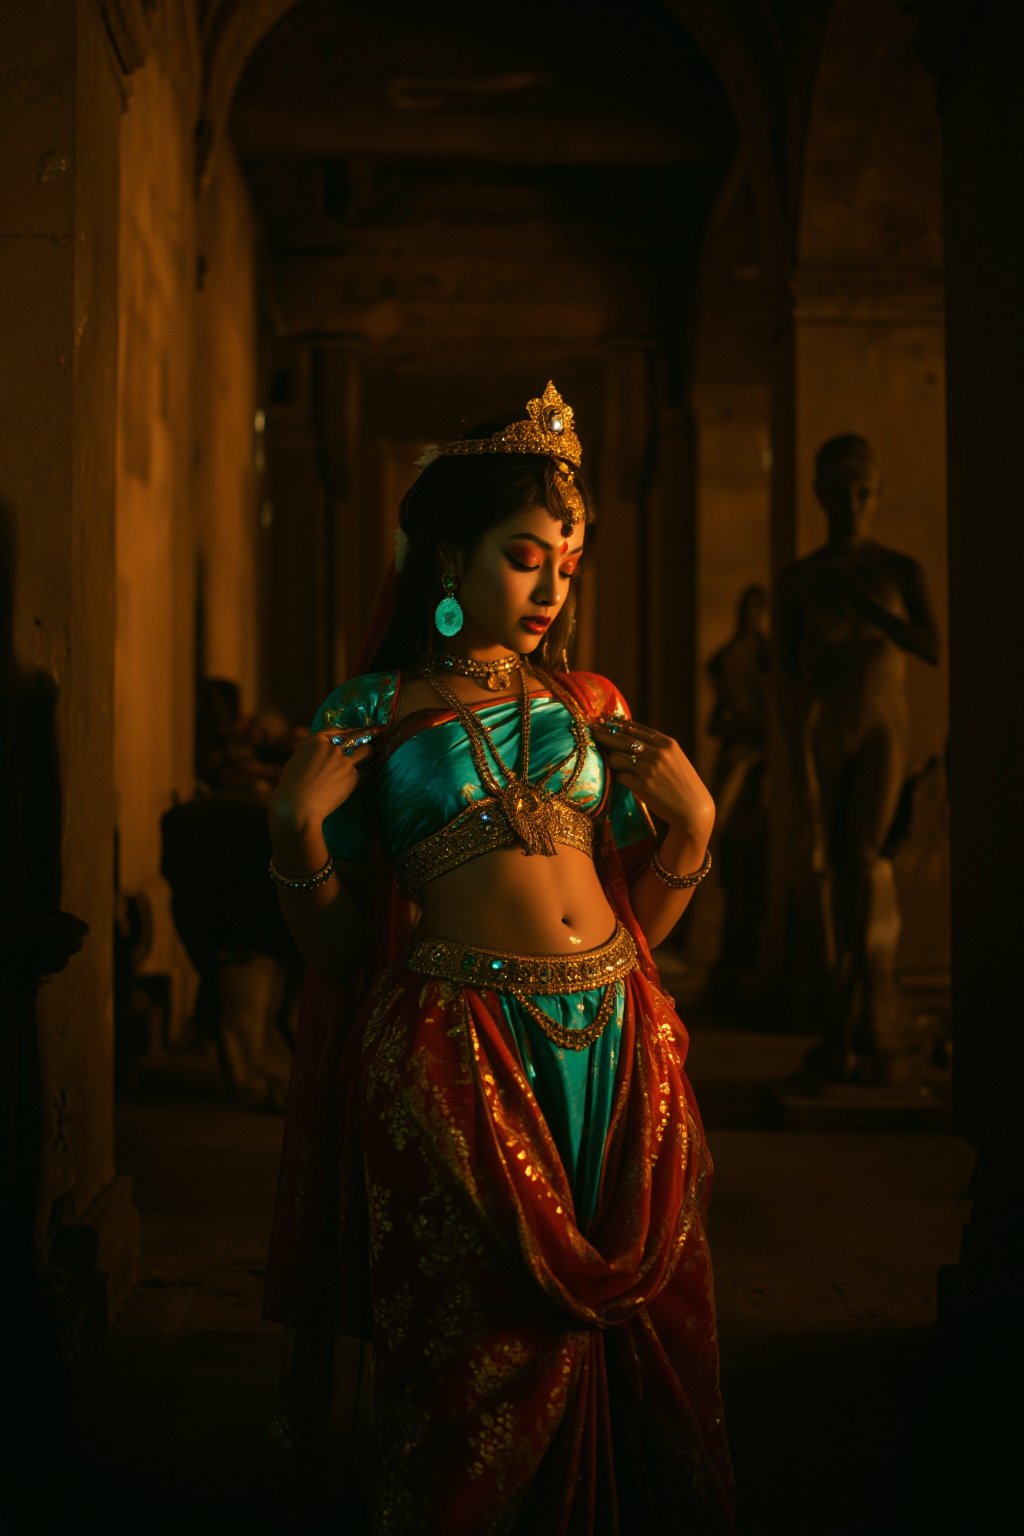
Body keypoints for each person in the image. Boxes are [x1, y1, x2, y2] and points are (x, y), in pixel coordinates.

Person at [264, 383, 735, 1533]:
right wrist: (293, 833)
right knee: (474, 1354)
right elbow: (338, 953)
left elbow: (638, 912)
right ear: (445, 556)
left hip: (619, 1037)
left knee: (639, 1349)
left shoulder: (590, 704)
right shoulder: (372, 711)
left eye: (565, 563)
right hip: (454, 1053)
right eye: (525, 555)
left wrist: (695, 828)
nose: (549, 585)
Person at [774, 434, 940, 1080]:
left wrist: (871, 609)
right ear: (820, 497)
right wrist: (796, 761)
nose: (851, 506)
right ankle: (847, 1008)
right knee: (837, 864)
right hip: (825, 727)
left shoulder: (896, 571)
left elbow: (930, 645)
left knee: (865, 860)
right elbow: (788, 678)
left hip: (880, 728)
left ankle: (869, 1005)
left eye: (862, 494)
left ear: (876, 496)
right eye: (839, 495)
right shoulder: (801, 579)